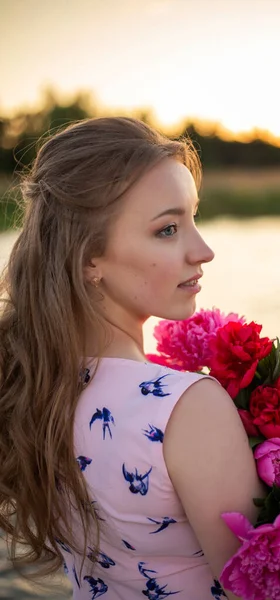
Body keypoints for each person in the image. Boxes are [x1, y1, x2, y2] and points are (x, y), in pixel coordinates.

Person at [0, 117, 263, 599]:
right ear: (88, 259)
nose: (202, 250)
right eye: (167, 229)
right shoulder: (187, 407)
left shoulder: (35, 389)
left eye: (193, 218)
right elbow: (262, 590)